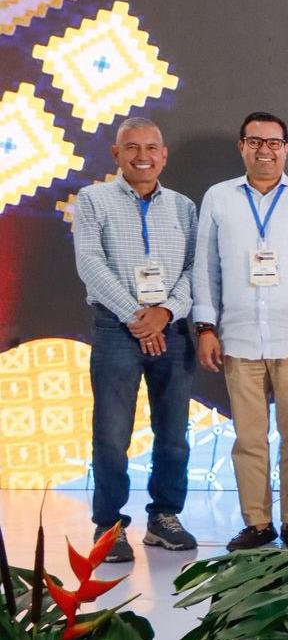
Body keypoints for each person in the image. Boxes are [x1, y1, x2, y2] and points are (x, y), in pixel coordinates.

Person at [193, 112, 288, 552]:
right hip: (238, 336)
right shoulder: (218, 197)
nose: (265, 150)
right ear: (242, 147)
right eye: (255, 142)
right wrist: (206, 326)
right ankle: (257, 523)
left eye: (274, 142)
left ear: (287, 148)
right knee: (248, 438)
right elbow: (205, 267)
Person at [72, 116, 198, 563]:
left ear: (163, 155)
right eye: (132, 148)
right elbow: (89, 263)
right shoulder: (93, 200)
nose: (142, 156)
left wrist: (164, 314)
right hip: (115, 330)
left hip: (173, 330)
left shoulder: (184, 206)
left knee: (173, 434)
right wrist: (136, 317)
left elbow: (193, 270)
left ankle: (164, 517)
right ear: (117, 154)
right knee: (110, 434)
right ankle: (109, 525)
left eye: (151, 148)